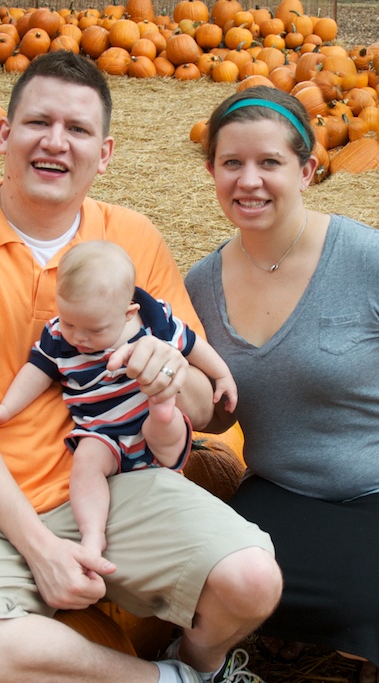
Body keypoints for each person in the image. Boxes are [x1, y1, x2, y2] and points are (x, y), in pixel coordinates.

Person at [0, 50, 280, 683]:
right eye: (39, 123)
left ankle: (198, 662)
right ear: (4, 134)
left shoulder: (133, 238)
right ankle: (165, 682)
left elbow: (205, 410)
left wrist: (169, 378)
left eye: (78, 130)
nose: (55, 143)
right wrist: (39, 548)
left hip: (125, 484)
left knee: (252, 578)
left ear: (105, 153)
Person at [185, 84, 379, 683]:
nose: (249, 180)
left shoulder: (365, 257)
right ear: (212, 170)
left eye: (269, 162)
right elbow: (217, 415)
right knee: (214, 579)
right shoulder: (200, 287)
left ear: (307, 169)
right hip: (281, 492)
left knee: (364, 601)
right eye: (232, 163)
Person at [0, 240, 237, 556]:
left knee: (166, 421)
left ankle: (163, 414)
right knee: (85, 464)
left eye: (94, 329)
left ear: (128, 313)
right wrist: (3, 410)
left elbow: (191, 345)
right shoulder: (57, 336)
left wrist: (222, 375)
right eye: (69, 322)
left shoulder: (154, 321)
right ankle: (92, 535)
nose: (79, 337)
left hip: (147, 422)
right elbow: (35, 372)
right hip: (101, 432)